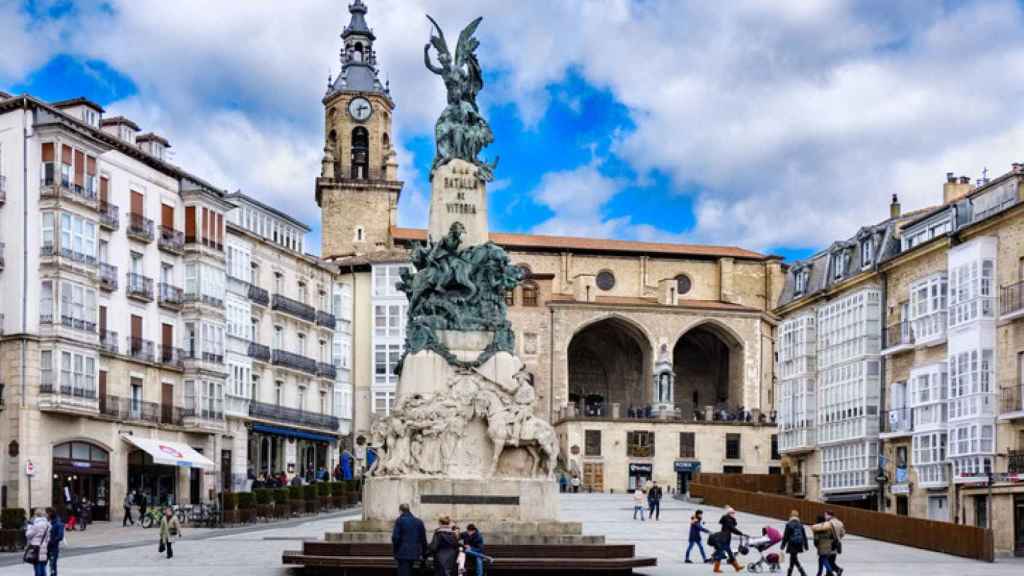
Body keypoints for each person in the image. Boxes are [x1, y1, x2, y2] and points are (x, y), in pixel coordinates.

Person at [392, 503, 427, 576]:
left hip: (402, 553)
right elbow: (423, 539)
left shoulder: (399, 520)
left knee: (403, 572)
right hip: (415, 553)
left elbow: (395, 537)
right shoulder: (419, 521)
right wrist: (423, 554)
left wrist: (395, 551)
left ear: (400, 511)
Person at [716, 506, 745, 572]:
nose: (734, 514)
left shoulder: (728, 519)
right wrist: (740, 533)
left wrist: (734, 519)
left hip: (725, 538)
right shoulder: (728, 520)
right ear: (729, 513)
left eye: (734, 513)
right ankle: (716, 568)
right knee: (721, 553)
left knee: (730, 554)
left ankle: (737, 567)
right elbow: (732, 528)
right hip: (724, 538)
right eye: (732, 513)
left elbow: (733, 526)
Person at [780, 510, 808, 576]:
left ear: (791, 516)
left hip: (792, 544)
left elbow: (785, 536)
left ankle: (803, 573)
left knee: (794, 558)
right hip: (799, 544)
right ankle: (791, 573)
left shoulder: (789, 524)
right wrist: (806, 546)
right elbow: (804, 536)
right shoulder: (800, 524)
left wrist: (782, 545)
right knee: (793, 558)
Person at [25, 509, 51, 576]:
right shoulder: (47, 524)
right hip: (44, 546)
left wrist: (29, 527)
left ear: (36, 515)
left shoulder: (36, 525)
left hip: (36, 547)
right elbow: (48, 538)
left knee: (37, 565)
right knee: (43, 565)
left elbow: (28, 535)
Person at [824, 511, 845, 576]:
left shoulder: (828, 523)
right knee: (831, 560)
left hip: (829, 544)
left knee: (826, 560)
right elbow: (843, 533)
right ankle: (829, 574)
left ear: (829, 515)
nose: (825, 516)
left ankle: (838, 569)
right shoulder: (840, 522)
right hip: (836, 544)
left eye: (826, 515)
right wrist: (838, 538)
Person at [46, 508, 64, 576]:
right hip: (46, 547)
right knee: (44, 564)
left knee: (52, 564)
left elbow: (60, 536)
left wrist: (51, 541)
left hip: (53, 547)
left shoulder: (58, 523)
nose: (46, 515)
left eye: (47, 513)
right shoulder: (48, 522)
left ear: (51, 513)